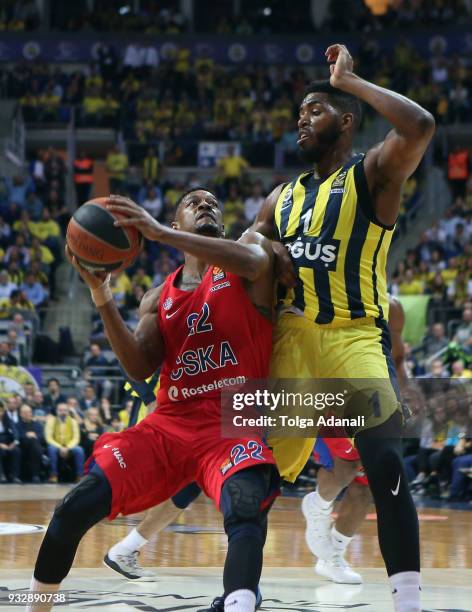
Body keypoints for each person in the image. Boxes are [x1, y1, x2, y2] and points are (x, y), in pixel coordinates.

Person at [29, 189, 279, 612]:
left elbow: (256, 263)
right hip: (168, 426)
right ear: (179, 222)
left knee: (245, 505)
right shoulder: (157, 298)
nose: (206, 205)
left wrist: (160, 233)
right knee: (72, 509)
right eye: (194, 201)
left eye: (213, 202)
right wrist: (101, 294)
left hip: (229, 424)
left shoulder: (248, 251)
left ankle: (240, 604)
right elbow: (139, 366)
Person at [250, 44, 434, 612]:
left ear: (347, 121)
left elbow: (421, 126)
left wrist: (349, 81)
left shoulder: (372, 174)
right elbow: (241, 253)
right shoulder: (283, 195)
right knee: (253, 472)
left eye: (316, 111)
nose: (302, 120)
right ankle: (239, 591)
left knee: (383, 462)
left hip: (355, 336)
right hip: (294, 341)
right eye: (299, 113)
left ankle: (407, 602)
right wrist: (255, 246)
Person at [302, 295, 408, 585]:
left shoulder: (393, 307)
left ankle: (332, 556)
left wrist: (406, 397)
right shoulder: (327, 291)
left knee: (366, 489)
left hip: (374, 395)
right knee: (347, 467)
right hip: (330, 391)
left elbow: (398, 360)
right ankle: (318, 506)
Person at [44, 402, 84, 483]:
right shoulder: (51, 421)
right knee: (51, 449)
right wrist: (60, 447)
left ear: (68, 412)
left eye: (65, 410)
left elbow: (76, 438)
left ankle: (79, 475)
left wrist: (68, 447)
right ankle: (53, 475)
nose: (63, 412)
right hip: (56, 445)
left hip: (70, 445)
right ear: (57, 411)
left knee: (79, 450)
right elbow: (49, 438)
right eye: (60, 410)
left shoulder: (73, 422)